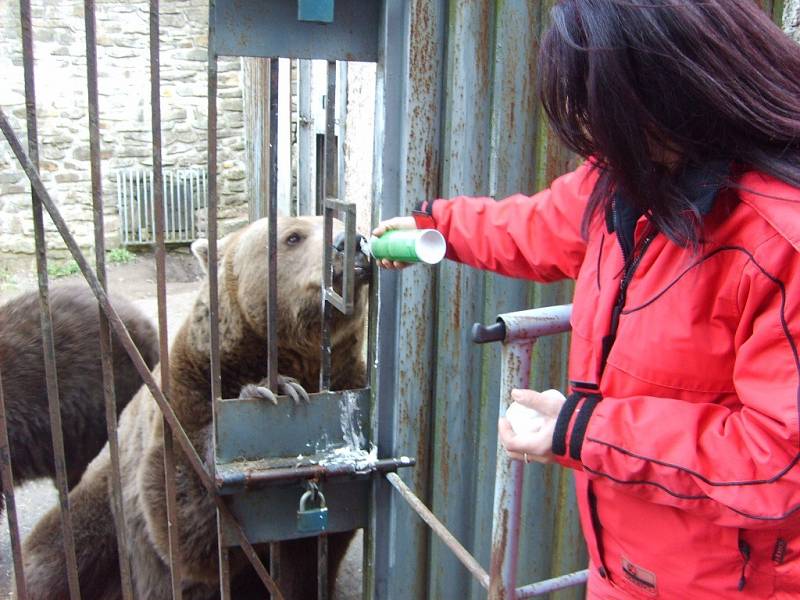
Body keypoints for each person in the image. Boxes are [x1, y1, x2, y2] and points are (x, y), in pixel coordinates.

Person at [374, 1, 800, 598]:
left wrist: (583, 430)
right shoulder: (630, 179)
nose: (588, 126)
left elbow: (778, 463)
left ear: (665, 90)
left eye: (597, 105)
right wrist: (433, 228)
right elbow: (531, 226)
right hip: (620, 566)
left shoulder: (781, 242)